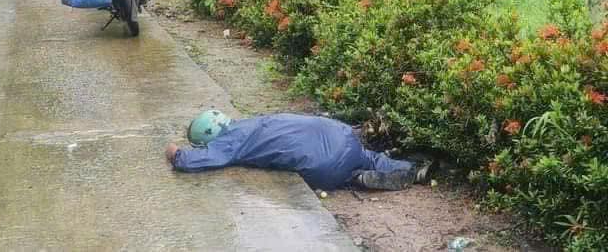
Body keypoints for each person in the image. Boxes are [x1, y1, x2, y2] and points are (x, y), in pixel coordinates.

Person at [165, 111, 433, 191]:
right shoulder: (256, 122)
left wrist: (174, 152)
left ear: (207, 136)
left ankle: (355, 179)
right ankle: (412, 170)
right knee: (368, 157)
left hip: (324, 166)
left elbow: (195, 160)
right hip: (344, 136)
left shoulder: (229, 141)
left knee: (332, 171)